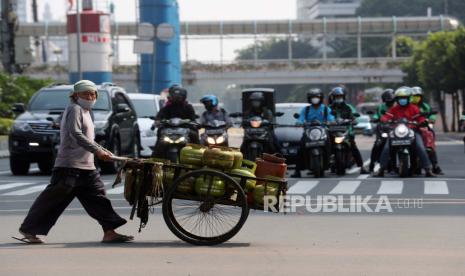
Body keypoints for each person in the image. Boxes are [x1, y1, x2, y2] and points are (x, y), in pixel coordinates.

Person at [17, 80, 133, 244]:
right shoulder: (74, 108)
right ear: (75, 95)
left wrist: (105, 151)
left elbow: (89, 139)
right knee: (53, 199)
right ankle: (28, 228)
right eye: (85, 93)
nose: (90, 96)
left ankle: (110, 232)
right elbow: (75, 133)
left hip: (87, 167)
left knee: (99, 199)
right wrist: (97, 151)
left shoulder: (87, 111)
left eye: (93, 94)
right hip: (69, 165)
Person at [375, 86, 435, 177]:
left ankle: (428, 169)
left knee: (420, 147)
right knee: (386, 148)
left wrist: (422, 121)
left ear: (408, 98)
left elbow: (420, 117)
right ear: (397, 99)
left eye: (404, 98)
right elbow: (387, 116)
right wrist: (384, 120)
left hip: (413, 130)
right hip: (396, 131)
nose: (402, 100)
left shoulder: (414, 108)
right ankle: (381, 169)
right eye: (400, 98)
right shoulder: (394, 108)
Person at [291, 88, 335, 178]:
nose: (315, 99)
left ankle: (334, 164)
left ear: (321, 98)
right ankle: (297, 171)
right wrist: (299, 123)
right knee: (300, 149)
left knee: (334, 145)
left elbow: (331, 119)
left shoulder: (326, 109)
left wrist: (331, 122)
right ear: (309, 99)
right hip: (309, 132)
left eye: (317, 97)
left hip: (323, 132)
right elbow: (300, 119)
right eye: (312, 97)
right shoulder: (306, 109)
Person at [328, 87, 369, 174]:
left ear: (344, 97)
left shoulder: (348, 107)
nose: (338, 98)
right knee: (326, 145)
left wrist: (354, 121)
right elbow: (324, 117)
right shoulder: (329, 108)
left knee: (353, 147)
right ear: (333, 98)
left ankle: (362, 166)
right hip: (333, 132)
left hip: (346, 131)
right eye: (336, 97)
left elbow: (354, 117)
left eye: (340, 96)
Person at [152, 85, 199, 157]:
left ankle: (198, 157)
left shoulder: (188, 107)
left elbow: (193, 119)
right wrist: (157, 122)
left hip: (185, 131)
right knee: (159, 137)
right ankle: (154, 160)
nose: (177, 98)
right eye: (174, 96)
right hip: (168, 131)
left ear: (183, 97)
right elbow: (159, 116)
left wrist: (194, 124)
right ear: (171, 96)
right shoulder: (167, 107)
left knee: (195, 135)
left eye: (179, 97)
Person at [411, 86, 443, 174]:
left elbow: (431, 114)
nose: (416, 98)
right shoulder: (408, 106)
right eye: (414, 96)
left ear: (421, 97)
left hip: (424, 128)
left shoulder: (425, 106)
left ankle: (435, 165)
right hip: (411, 128)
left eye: (418, 96)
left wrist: (431, 119)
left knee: (430, 143)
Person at [368, 89, 396, 173]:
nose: (389, 102)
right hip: (383, 128)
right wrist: (376, 118)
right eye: (387, 100)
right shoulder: (381, 107)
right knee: (377, 144)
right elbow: (378, 115)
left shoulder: (397, 107)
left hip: (395, 128)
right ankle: (372, 164)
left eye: (391, 100)